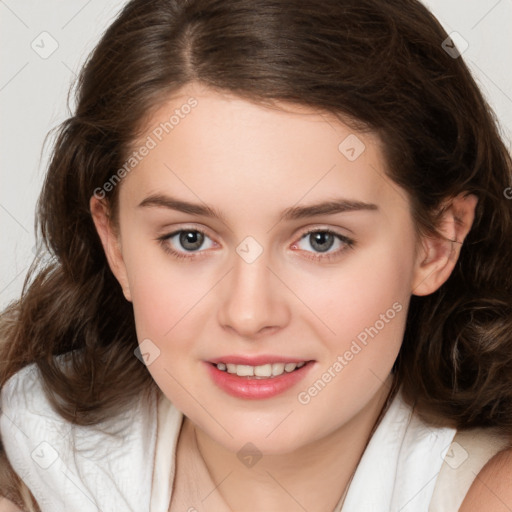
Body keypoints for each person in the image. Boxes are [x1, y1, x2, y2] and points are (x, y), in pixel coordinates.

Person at [1, 0, 512, 510]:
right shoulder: (31, 459)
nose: (249, 314)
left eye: (321, 240)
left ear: (437, 243)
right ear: (115, 244)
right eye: (190, 239)